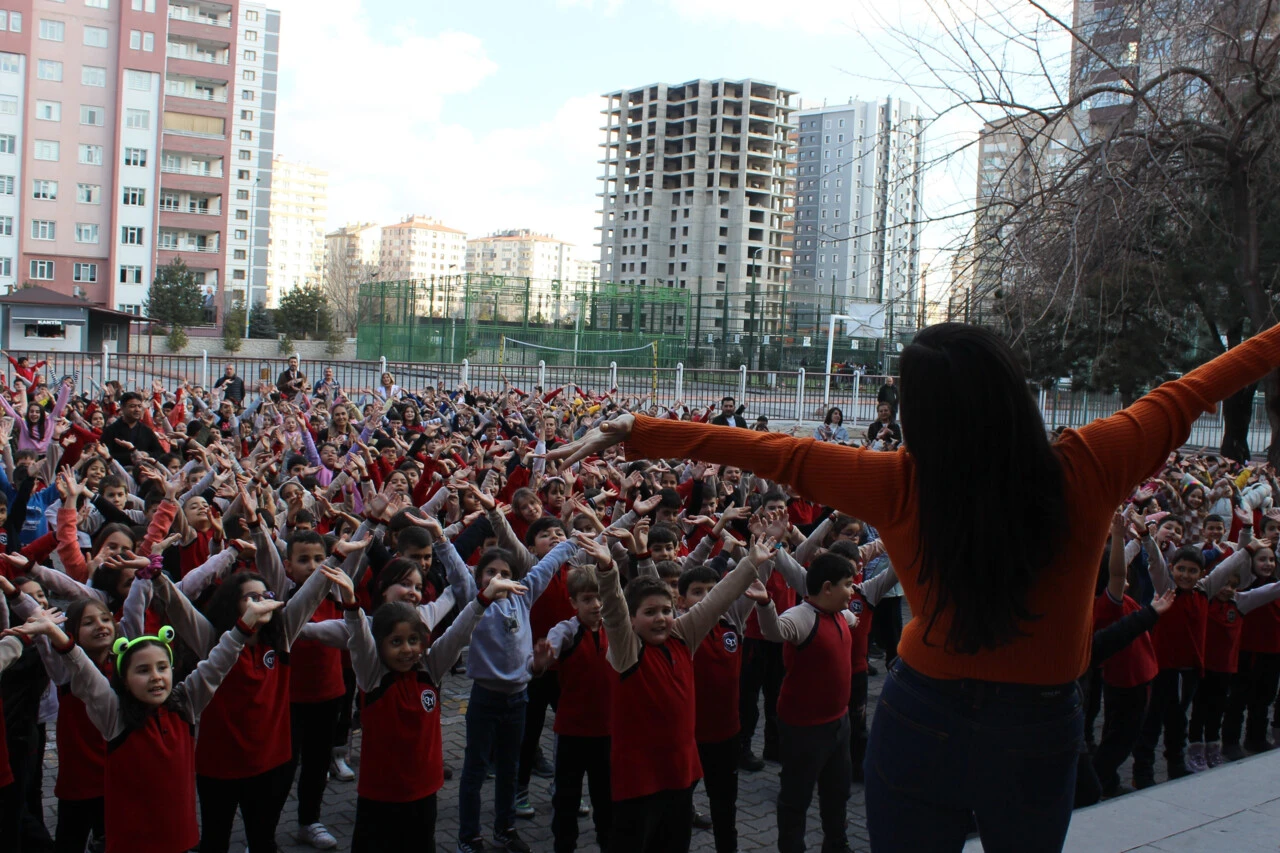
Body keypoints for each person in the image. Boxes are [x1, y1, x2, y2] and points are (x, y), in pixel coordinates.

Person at [547, 321, 1280, 852]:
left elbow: (785, 454)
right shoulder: (1092, 461)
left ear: (918, 417)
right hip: (1038, 727)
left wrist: (641, 428)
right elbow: (1205, 381)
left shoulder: (900, 482)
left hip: (921, 713)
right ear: (1012, 390)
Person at [100, 392, 162, 465]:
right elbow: (104, 456)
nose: (137, 410)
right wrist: (130, 457)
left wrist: (147, 454)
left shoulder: (147, 431)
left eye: (139, 406)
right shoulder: (110, 431)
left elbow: (160, 453)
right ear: (122, 407)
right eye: (132, 406)